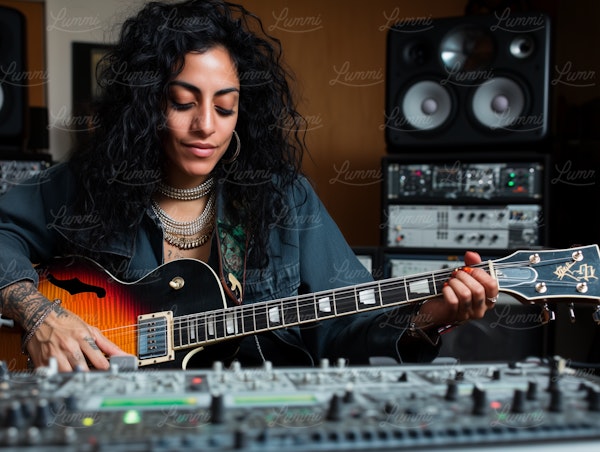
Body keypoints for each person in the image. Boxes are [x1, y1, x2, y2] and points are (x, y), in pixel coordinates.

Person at [0, 0, 498, 372]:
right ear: (146, 106)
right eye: (181, 102)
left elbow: (344, 324)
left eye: (224, 106)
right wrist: (38, 313)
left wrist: (428, 316)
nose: (206, 126)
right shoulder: (85, 185)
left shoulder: (285, 200)